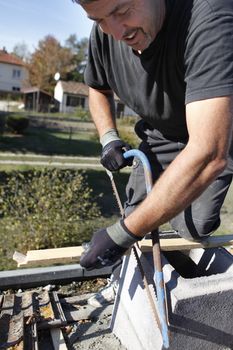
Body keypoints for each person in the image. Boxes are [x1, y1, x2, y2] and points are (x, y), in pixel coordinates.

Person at [73, 0, 233, 271]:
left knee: (193, 227)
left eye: (122, 12)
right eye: (99, 20)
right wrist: (108, 137)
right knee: (135, 214)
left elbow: (208, 152)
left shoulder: (210, 18)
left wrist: (122, 235)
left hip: (217, 136)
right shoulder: (105, 30)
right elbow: (97, 88)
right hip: (162, 136)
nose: (114, 31)